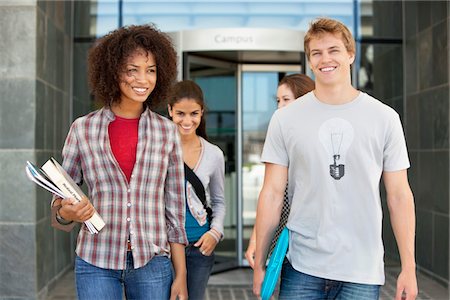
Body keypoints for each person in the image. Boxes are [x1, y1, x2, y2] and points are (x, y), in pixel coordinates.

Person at [253, 17, 417, 300]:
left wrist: (409, 267)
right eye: (316, 53)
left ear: (350, 54)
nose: (325, 59)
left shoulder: (384, 118)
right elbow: (272, 193)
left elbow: (399, 195)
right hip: (302, 265)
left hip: (361, 268)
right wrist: (259, 264)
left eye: (333, 50)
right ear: (309, 61)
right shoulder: (285, 119)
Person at [50, 24, 188, 300]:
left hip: (152, 261)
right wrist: (66, 213)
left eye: (150, 70)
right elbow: (59, 203)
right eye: (132, 69)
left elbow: (175, 210)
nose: (143, 79)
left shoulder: (167, 132)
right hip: (95, 260)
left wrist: (181, 275)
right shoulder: (83, 129)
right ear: (113, 72)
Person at [244, 73, 315, 268]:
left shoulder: (319, 139)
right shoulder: (281, 137)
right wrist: (256, 240)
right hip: (285, 239)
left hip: (317, 241)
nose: (280, 106)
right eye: (278, 100)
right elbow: (270, 195)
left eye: (286, 100)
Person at [167, 80, 226, 300]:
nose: (187, 121)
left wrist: (215, 233)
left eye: (194, 114)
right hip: (165, 248)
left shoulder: (214, 154)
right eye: (180, 113)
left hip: (200, 248)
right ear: (170, 111)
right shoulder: (159, 150)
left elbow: (219, 201)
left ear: (202, 113)